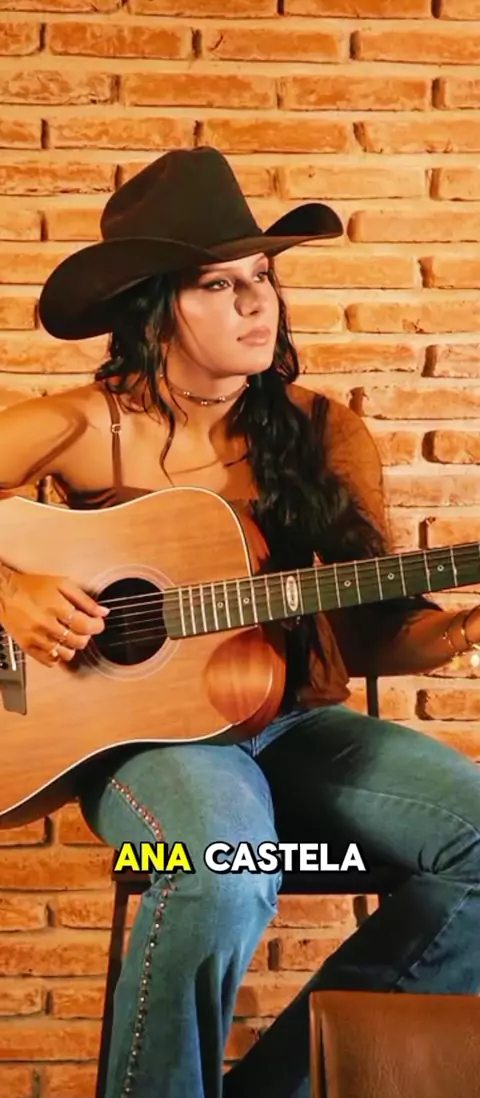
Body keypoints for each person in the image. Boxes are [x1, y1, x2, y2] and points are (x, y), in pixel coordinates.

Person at [0, 146, 480, 1098]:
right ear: (153, 308)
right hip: (145, 748)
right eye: (219, 284)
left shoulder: (321, 432)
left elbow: (377, 632)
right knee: (221, 864)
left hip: (291, 725)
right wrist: (11, 591)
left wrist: (461, 630)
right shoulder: (80, 424)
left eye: (262, 277)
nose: (257, 303)